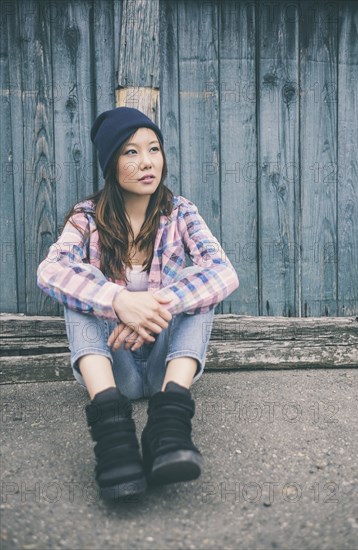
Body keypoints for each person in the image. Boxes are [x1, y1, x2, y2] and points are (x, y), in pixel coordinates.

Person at [36, 106, 240, 500]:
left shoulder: (180, 212)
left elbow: (223, 271)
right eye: (131, 152)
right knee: (80, 282)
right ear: (111, 164)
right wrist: (116, 301)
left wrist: (147, 304)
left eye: (153, 149)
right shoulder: (86, 218)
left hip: (169, 364)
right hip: (116, 367)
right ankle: (113, 431)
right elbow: (50, 270)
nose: (147, 162)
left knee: (197, 282)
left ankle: (169, 424)